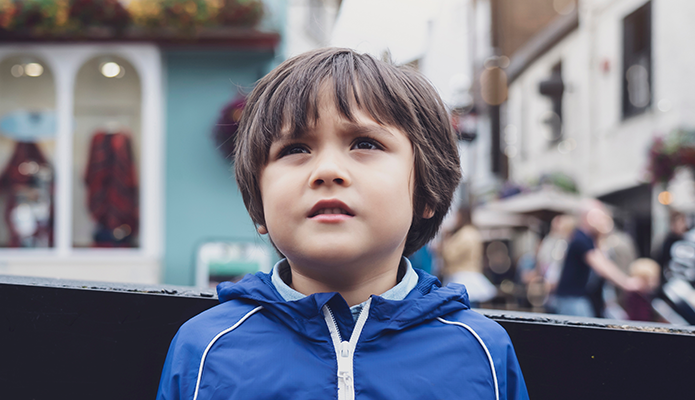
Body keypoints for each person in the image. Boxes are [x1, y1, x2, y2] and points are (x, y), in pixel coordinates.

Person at [156, 48, 529, 400]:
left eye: (365, 144)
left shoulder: (481, 350)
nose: (328, 171)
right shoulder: (205, 348)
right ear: (259, 206)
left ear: (426, 192)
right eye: (295, 149)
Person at [555, 200, 643, 318]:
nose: (603, 220)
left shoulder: (588, 239)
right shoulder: (580, 239)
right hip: (573, 299)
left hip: (578, 299)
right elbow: (601, 265)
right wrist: (627, 283)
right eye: (599, 216)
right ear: (588, 217)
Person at [441, 208, 497, 307]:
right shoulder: (473, 232)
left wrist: (446, 239)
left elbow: (449, 255)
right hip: (470, 275)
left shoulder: (464, 234)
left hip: (462, 277)